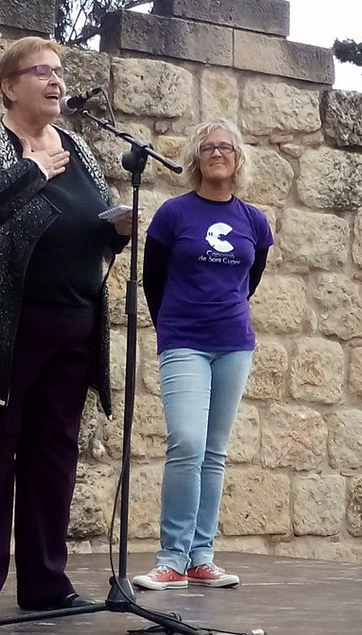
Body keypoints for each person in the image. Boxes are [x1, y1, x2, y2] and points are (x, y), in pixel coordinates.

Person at [0, 36, 131, 618]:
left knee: (53, 456)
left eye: (60, 72)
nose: (57, 81)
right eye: (42, 72)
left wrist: (114, 230)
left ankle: (45, 583)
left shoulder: (78, 148)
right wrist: (29, 171)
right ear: (10, 86)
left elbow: (87, 219)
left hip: (72, 323)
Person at [132, 120, 272, 591]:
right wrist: (172, 326)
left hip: (234, 344)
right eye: (208, 147)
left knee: (214, 453)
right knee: (187, 443)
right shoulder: (173, 214)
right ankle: (171, 558)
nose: (217, 153)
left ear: (238, 158)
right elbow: (153, 280)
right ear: (195, 158)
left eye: (225, 147)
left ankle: (200, 557)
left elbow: (250, 280)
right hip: (184, 340)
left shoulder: (254, 221)